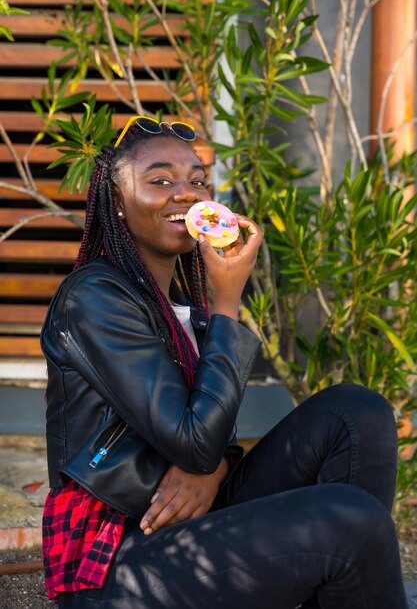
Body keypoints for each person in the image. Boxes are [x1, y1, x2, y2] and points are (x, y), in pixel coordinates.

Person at [41, 115, 408, 609]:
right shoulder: (94, 297)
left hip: (187, 518)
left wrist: (217, 465)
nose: (187, 193)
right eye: (160, 180)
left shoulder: (179, 303)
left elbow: (206, 438)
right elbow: (194, 442)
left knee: (355, 413)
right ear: (118, 203)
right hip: (118, 558)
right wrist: (228, 303)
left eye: (197, 180)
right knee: (351, 518)